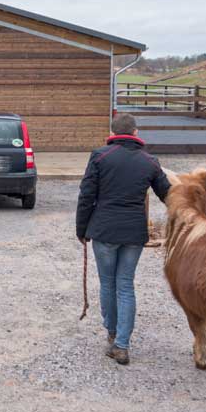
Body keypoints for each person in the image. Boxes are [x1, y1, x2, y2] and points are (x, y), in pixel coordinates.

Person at [75, 113, 170, 365]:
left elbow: (86, 196)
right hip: (133, 233)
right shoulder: (150, 161)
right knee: (125, 284)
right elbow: (168, 195)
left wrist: (81, 230)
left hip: (104, 230)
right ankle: (122, 345)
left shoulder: (99, 157)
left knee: (108, 284)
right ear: (135, 133)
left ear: (113, 132)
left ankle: (112, 332)